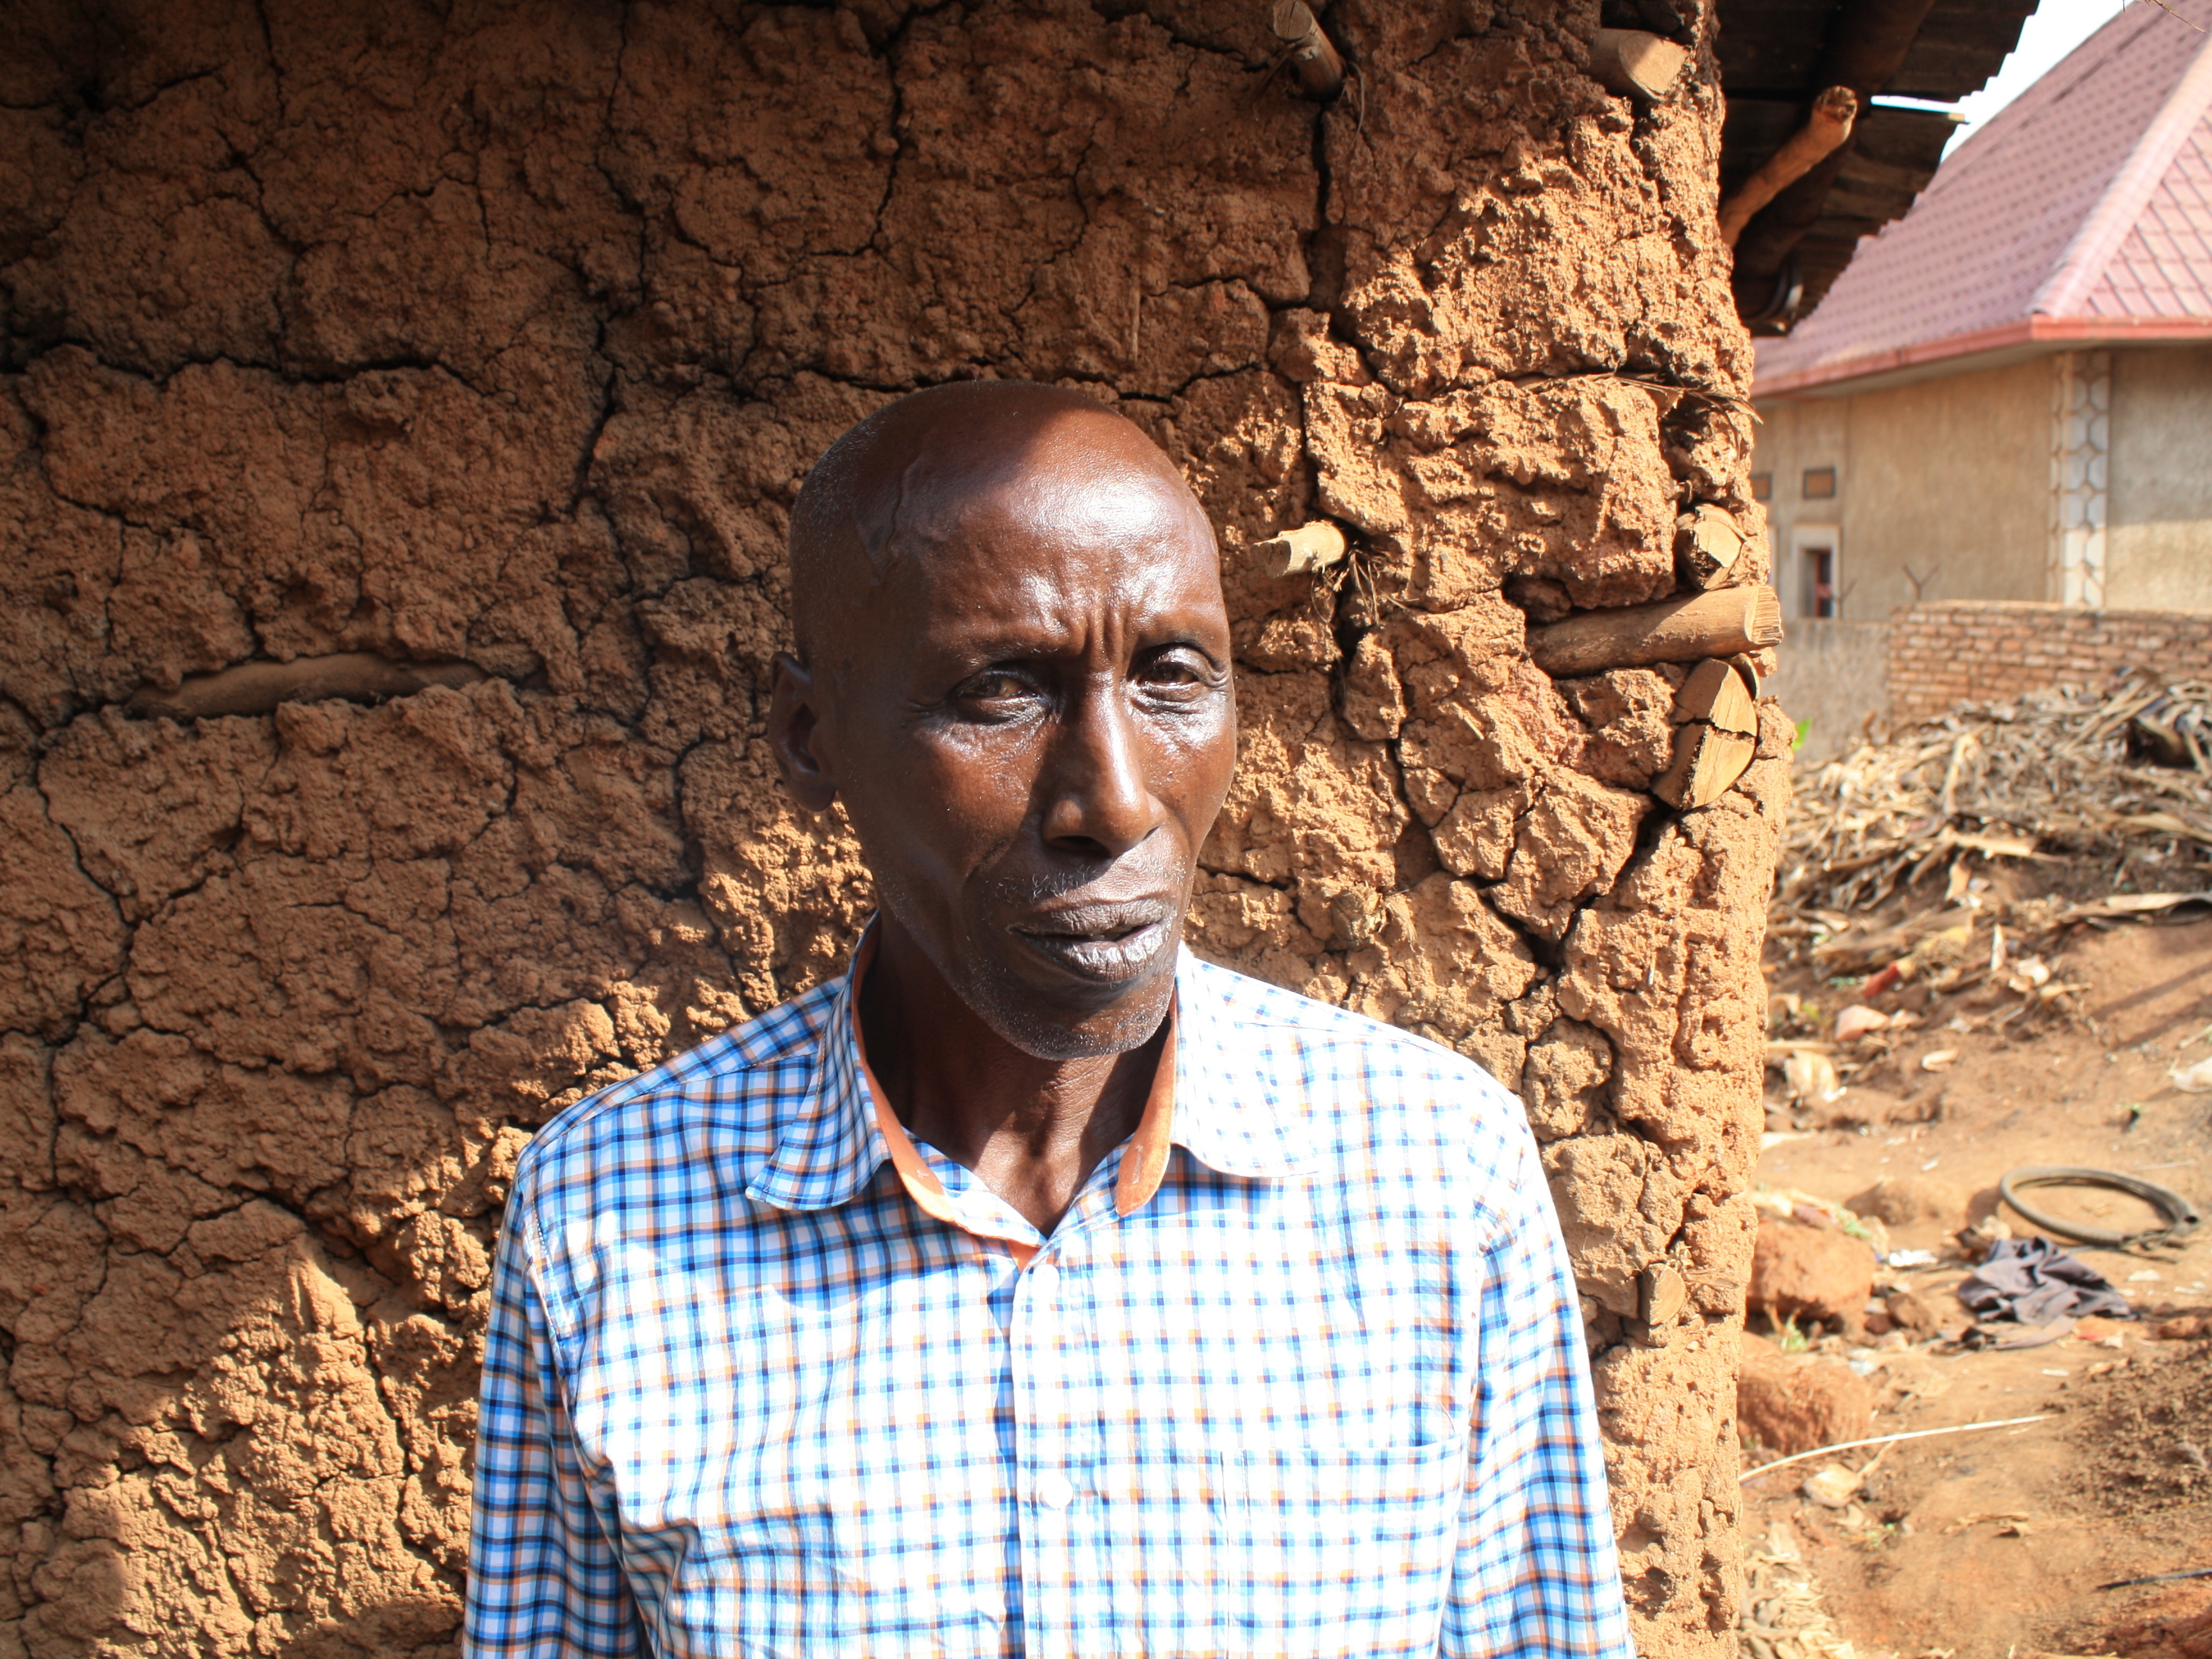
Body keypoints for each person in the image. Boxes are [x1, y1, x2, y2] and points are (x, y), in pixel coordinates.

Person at [464, 381, 1633, 1658]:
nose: (1115, 799)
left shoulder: (1435, 1176)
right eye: (1000, 693)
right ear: (810, 739)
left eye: (1173, 677)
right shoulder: (607, 1219)